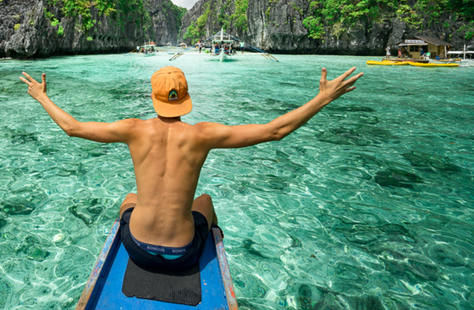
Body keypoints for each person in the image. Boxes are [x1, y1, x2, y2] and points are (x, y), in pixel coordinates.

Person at [19, 65, 362, 271]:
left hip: (136, 249)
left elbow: (73, 128)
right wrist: (323, 98)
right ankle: (211, 249)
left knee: (130, 197)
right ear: (185, 98)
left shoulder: (133, 129)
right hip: (184, 254)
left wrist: (41, 96)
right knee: (206, 201)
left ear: (152, 97)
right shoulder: (203, 135)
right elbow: (275, 131)